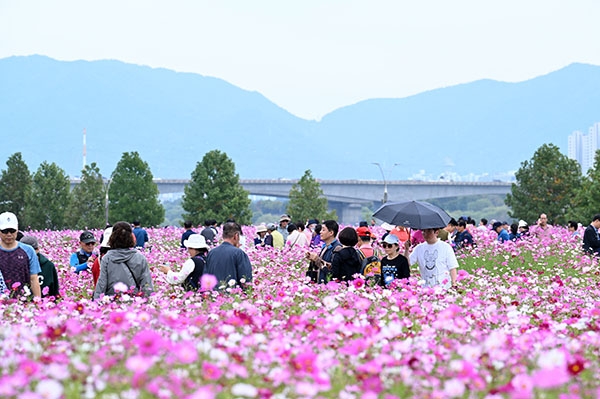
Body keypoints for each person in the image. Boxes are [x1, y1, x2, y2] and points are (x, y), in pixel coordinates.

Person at [93, 221, 154, 299]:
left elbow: (102, 284)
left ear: (112, 237)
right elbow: (146, 285)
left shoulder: (107, 258)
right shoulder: (140, 257)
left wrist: (97, 302)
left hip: (112, 303)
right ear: (131, 237)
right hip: (134, 303)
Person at [0, 212, 42, 298]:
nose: (9, 234)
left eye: (12, 231)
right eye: (5, 231)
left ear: (17, 230)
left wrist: (38, 302)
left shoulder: (28, 250)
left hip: (23, 301)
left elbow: (34, 278)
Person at [204, 222, 252, 290]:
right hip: (232, 297)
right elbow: (245, 279)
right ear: (236, 236)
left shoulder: (211, 253)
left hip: (213, 296)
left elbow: (205, 278)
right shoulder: (239, 253)